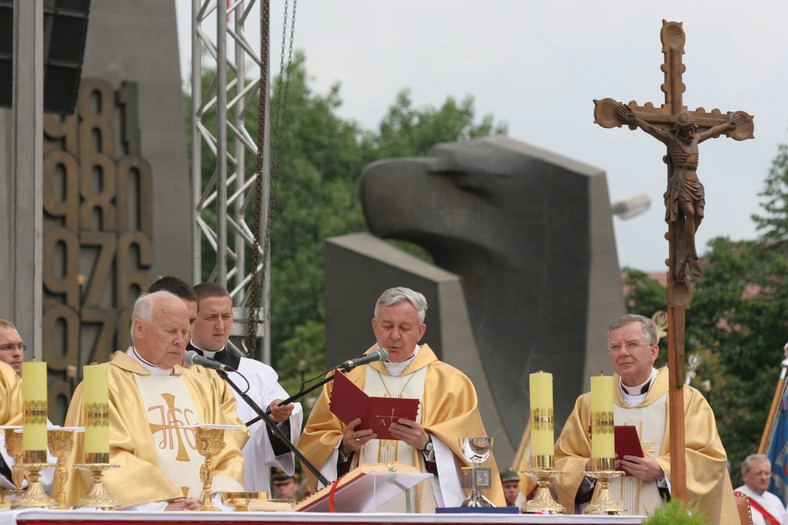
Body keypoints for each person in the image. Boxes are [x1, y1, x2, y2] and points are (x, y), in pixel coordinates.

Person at [298, 286, 504, 508]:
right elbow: (313, 442)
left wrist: (427, 444)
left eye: (404, 328)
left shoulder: (452, 383)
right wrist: (343, 447)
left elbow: (472, 456)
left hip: (425, 509)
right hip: (361, 510)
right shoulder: (346, 378)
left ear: (420, 331)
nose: (394, 336)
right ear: (375, 326)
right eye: (387, 326)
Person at [62, 291, 247, 510]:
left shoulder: (202, 385)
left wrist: (211, 501)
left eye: (185, 332)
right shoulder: (103, 384)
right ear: (140, 328)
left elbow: (228, 452)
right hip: (141, 514)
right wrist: (161, 506)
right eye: (170, 331)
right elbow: (105, 456)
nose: (180, 341)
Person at [553, 313, 737, 524]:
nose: (623, 353)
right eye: (615, 347)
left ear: (653, 352)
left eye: (631, 344)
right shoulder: (588, 404)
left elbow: (710, 460)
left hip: (662, 518)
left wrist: (662, 470)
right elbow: (562, 462)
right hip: (601, 518)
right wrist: (587, 468)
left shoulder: (684, 400)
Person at [187, 282, 302, 493]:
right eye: (211, 317)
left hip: (244, 488)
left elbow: (277, 441)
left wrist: (277, 420)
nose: (220, 326)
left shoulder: (257, 374)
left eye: (226, 316)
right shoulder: (173, 371)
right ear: (191, 320)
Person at [616, 103, 741, 280]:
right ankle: (692, 252)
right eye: (685, 131)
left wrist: (727, 126)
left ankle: (683, 254)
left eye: (691, 130)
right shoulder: (671, 140)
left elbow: (713, 132)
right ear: (679, 130)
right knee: (689, 213)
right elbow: (651, 129)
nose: (689, 134)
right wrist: (635, 119)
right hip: (680, 182)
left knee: (698, 215)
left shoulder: (696, 139)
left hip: (695, 183)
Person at [734, 454, 786, 525]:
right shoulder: (736, 499)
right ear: (745, 476)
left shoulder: (776, 501)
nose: (764, 478)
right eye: (758, 473)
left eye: (767, 473)